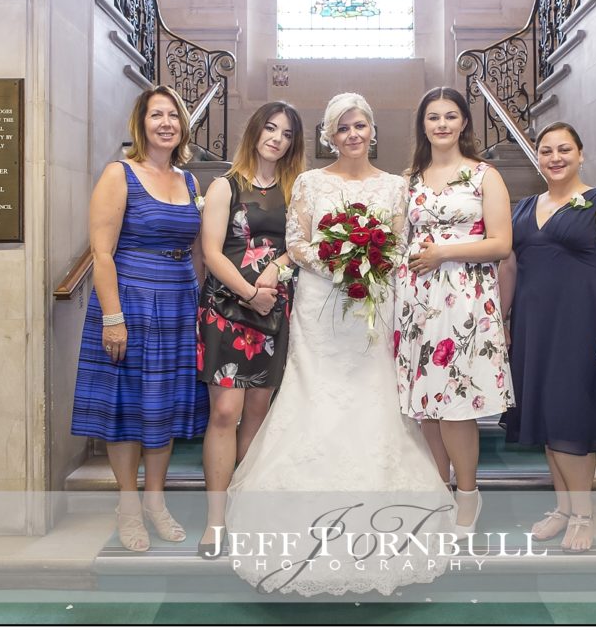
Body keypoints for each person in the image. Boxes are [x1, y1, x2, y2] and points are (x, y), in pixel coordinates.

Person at [224, 93, 452, 596]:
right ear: (330, 135)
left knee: (373, 398)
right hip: (320, 304)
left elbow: (397, 241)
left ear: (373, 130)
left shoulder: (396, 186)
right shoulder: (309, 181)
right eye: (343, 127)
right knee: (314, 394)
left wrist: (369, 266)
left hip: (374, 304)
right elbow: (298, 242)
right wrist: (341, 265)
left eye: (360, 125)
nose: (353, 134)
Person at [71, 86, 205, 552]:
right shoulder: (119, 173)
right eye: (156, 115)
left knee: (163, 405)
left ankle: (155, 501)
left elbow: (194, 249)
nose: (165, 122)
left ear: (183, 125)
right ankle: (128, 505)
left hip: (176, 302)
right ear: (141, 123)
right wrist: (113, 317)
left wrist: (198, 306)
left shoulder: (189, 182)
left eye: (173, 115)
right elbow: (101, 253)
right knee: (127, 408)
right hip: (128, 299)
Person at [499, 121, 596, 553]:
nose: (554, 158)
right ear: (536, 157)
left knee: (572, 421)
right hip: (533, 329)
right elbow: (511, 268)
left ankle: (583, 514)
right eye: (546, 151)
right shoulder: (523, 208)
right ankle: (561, 509)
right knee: (547, 422)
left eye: (564, 150)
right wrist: (503, 320)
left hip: (581, 327)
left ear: (580, 154)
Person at [394, 87, 514, 534]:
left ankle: (468, 494)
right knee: (425, 405)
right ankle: (437, 491)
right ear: (422, 126)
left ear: (464, 122)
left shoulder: (484, 176)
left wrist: (444, 253)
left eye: (450, 116)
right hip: (417, 300)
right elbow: (399, 241)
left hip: (465, 298)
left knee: (457, 406)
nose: (441, 124)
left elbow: (502, 243)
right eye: (432, 117)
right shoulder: (410, 180)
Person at [197, 102, 306, 555]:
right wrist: (248, 291)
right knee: (225, 411)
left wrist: (275, 273)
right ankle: (216, 520)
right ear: (255, 131)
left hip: (274, 310)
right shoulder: (225, 185)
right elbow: (211, 253)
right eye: (270, 128)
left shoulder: (296, 190)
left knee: (258, 414)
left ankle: (246, 508)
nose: (276, 138)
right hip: (227, 308)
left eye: (285, 133)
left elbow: (300, 246)